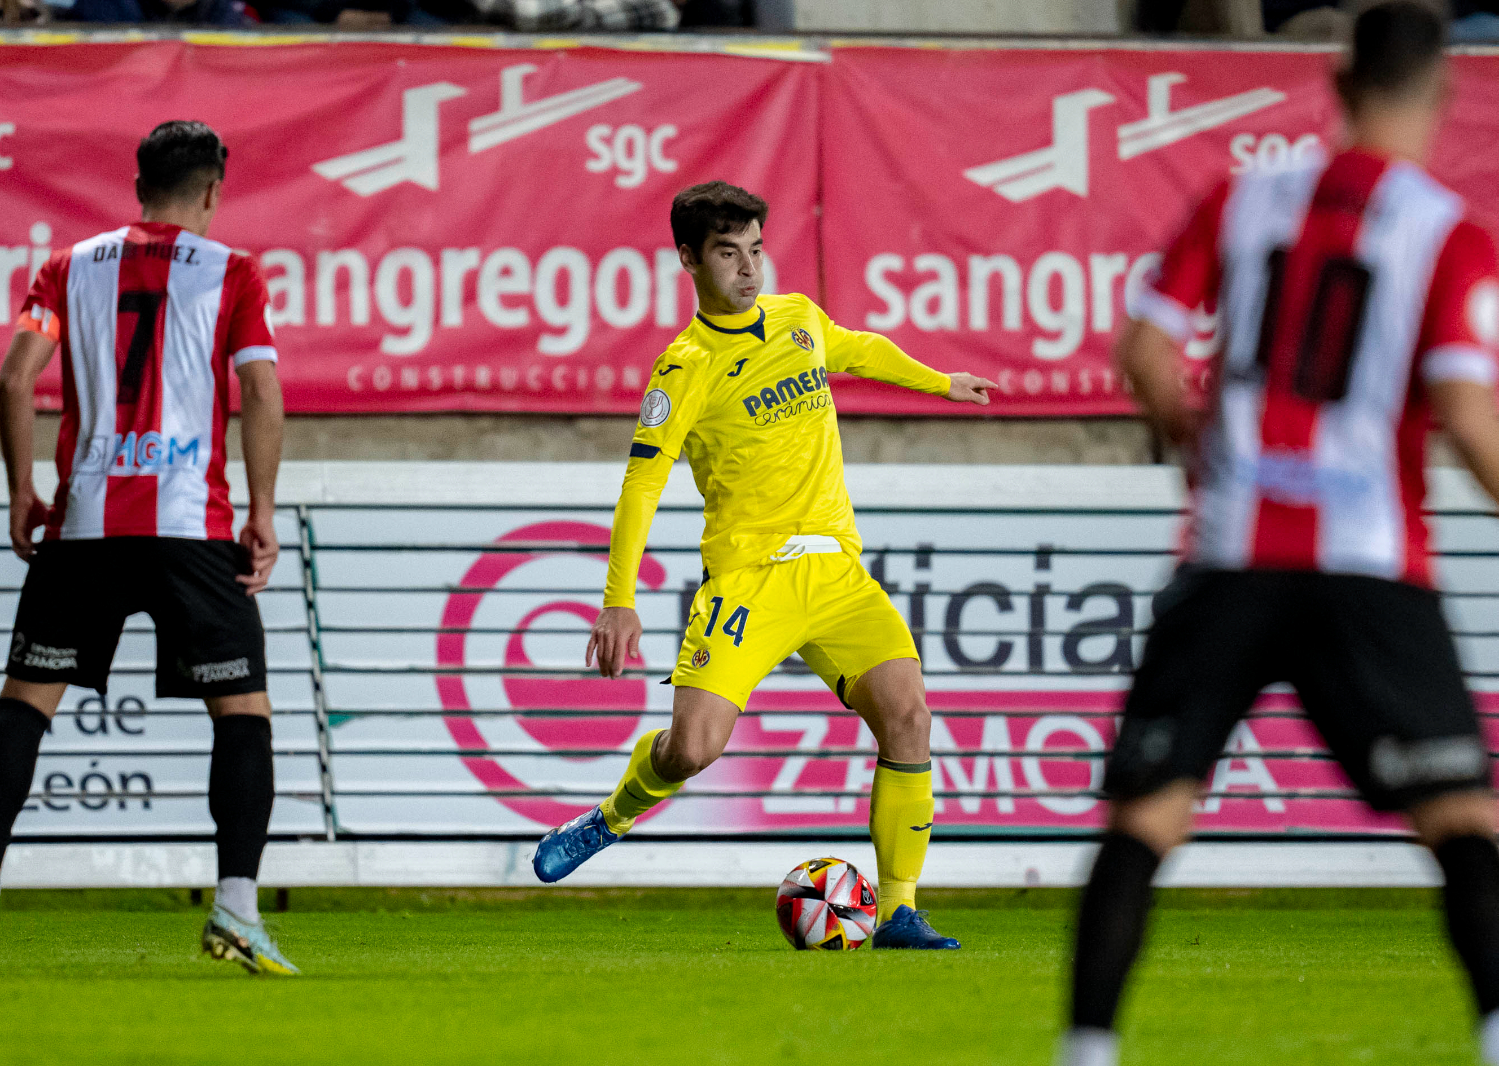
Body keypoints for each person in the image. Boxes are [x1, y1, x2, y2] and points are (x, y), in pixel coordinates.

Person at [1058, 4, 1499, 1063]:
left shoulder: (1242, 199)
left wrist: (1188, 431)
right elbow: (1468, 413)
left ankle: (1085, 1050)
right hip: (1366, 563)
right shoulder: (1445, 232)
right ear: (1440, 98)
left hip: (1228, 556)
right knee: (1459, 820)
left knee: (1145, 818)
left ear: (1336, 91)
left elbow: (1146, 347)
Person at [529, 181, 997, 949]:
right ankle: (609, 818)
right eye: (726, 253)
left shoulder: (798, 319)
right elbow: (642, 484)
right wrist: (619, 600)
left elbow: (859, 348)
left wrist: (941, 381)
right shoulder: (684, 370)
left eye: (754, 251)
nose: (748, 270)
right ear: (687, 259)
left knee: (910, 716)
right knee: (692, 749)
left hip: (838, 575)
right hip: (749, 581)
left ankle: (899, 912)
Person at [0, 120, 296, 977]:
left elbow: (14, 377)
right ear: (211, 190)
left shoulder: (66, 265)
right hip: (188, 525)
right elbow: (258, 384)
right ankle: (236, 910)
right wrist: (265, 508)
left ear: (138, 184)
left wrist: (23, 491)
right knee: (242, 716)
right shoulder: (233, 269)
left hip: (85, 524)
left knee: (23, 706)